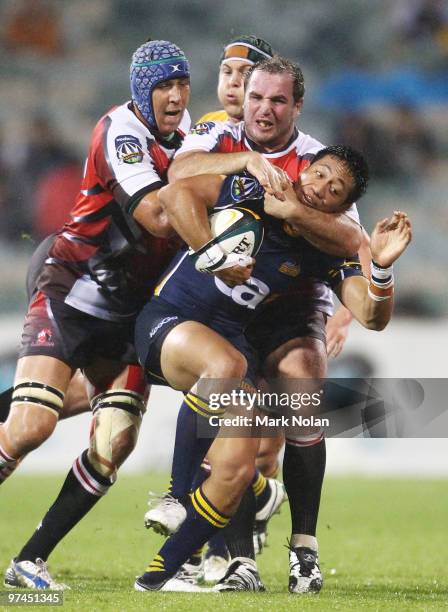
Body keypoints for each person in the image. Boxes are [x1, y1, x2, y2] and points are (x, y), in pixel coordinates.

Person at [133, 145, 411, 593]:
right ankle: (175, 496)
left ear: (341, 207)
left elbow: (373, 316)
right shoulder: (251, 187)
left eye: (334, 190)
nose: (319, 188)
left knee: (237, 468)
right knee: (228, 364)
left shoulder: (322, 251)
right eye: (318, 174)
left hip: (221, 348)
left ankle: (158, 577)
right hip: (167, 325)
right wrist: (212, 252)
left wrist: (379, 267)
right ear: (304, 168)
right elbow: (176, 193)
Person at [149, 54, 365, 592]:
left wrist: (296, 212)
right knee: (236, 419)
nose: (263, 109)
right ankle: (236, 557)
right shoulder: (218, 134)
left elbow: (352, 243)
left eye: (277, 100)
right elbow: (177, 178)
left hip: (292, 303)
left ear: (297, 106)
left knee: (302, 399)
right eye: (256, 97)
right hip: (229, 302)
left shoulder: (319, 161)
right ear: (243, 96)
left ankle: (304, 551)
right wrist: (242, 161)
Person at [1, 39, 195, 592]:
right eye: (164, 85)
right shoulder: (120, 131)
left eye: (182, 84)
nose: (176, 95)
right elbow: (158, 217)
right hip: (74, 292)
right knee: (32, 425)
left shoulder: (190, 147)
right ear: (140, 89)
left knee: (113, 443)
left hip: (129, 316)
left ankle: (29, 560)